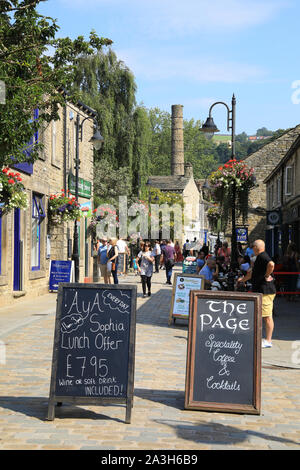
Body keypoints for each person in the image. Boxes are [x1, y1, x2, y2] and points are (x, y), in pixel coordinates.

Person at [238, 239, 276, 348]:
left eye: (252, 247)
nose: (251, 249)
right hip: (261, 290)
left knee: (267, 316)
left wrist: (267, 275)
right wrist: (242, 280)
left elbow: (271, 264)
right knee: (261, 316)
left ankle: (268, 340)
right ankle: (261, 338)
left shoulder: (263, 256)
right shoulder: (259, 257)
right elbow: (252, 274)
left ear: (256, 248)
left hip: (266, 290)